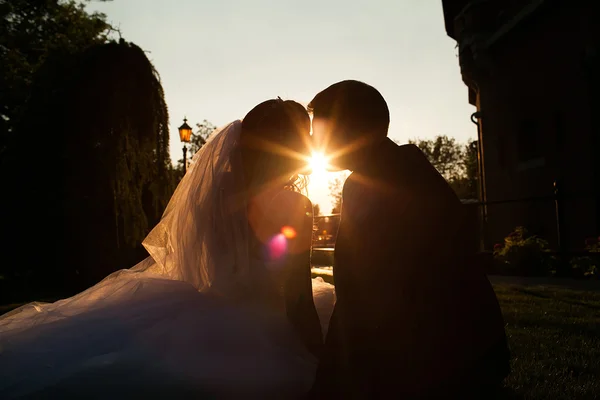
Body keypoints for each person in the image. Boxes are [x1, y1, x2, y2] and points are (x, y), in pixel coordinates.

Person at [0, 98, 335, 399]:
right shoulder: (293, 205)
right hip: (261, 328)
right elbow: (298, 299)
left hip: (205, 309)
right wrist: (324, 360)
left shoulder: (217, 197)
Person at [308, 80, 510, 399]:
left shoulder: (365, 183)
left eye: (317, 130)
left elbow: (354, 288)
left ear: (345, 130)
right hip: (478, 350)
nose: (310, 140)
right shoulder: (410, 166)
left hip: (430, 362)